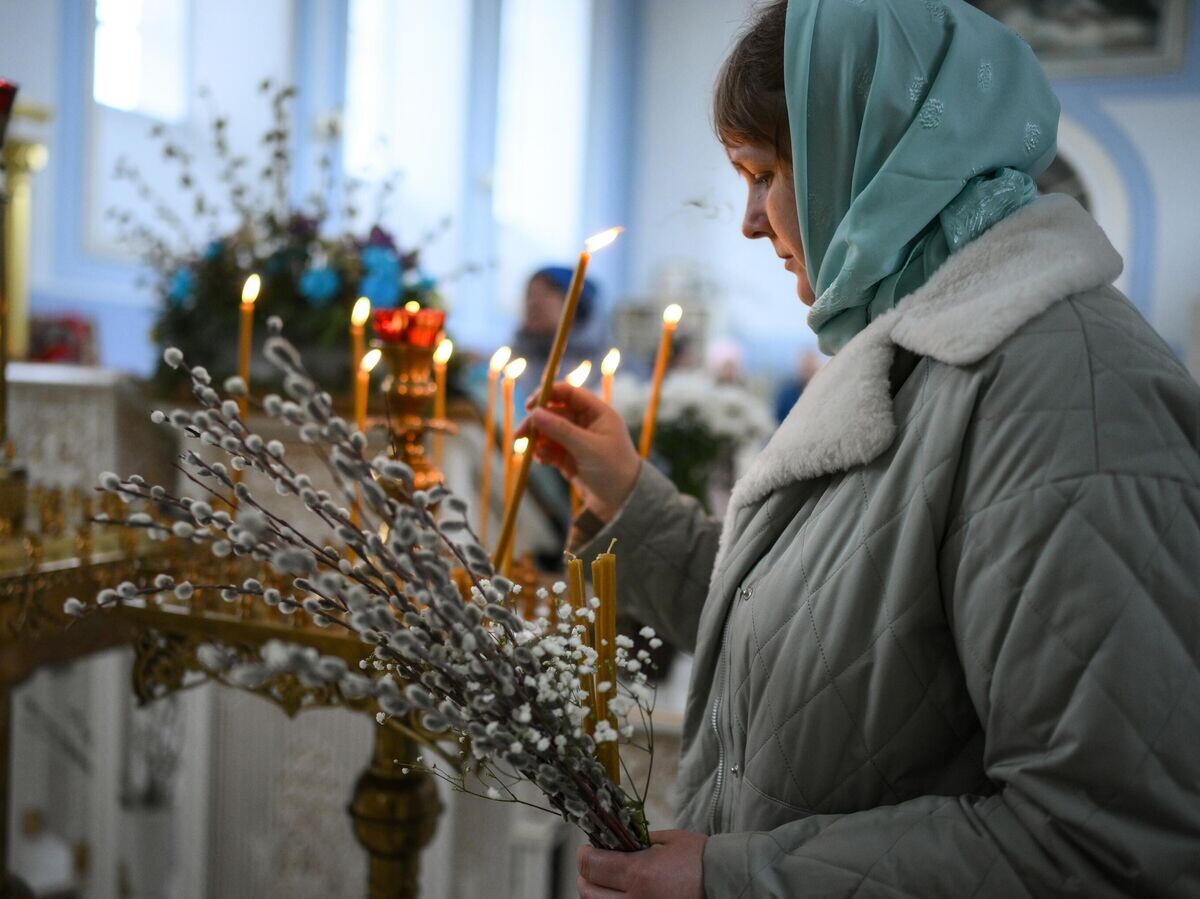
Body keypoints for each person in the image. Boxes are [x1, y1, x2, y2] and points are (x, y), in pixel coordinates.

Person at [519, 1, 1200, 896]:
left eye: (763, 174)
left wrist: (736, 875)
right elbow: (828, 662)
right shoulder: (908, 347)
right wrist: (626, 493)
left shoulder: (1073, 395)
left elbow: (1107, 844)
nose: (751, 223)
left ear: (872, 156)